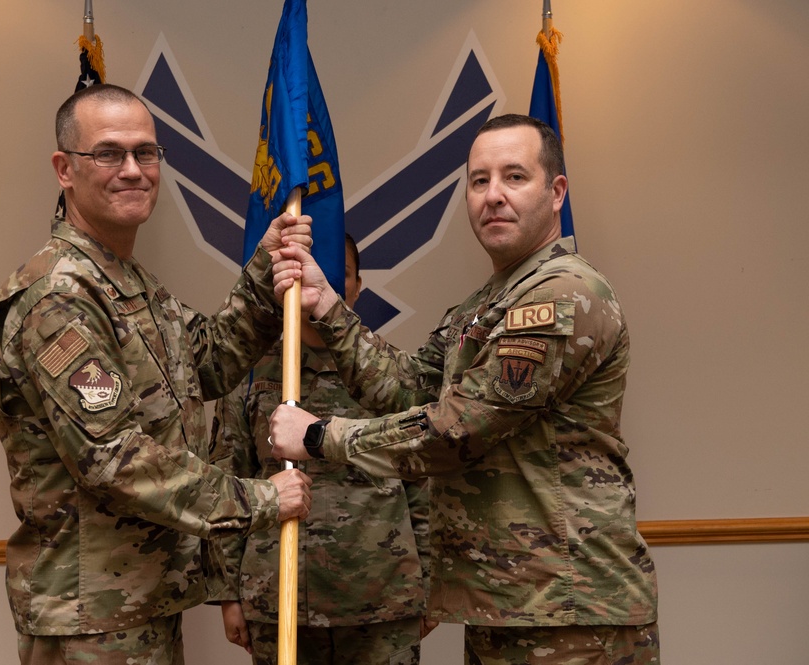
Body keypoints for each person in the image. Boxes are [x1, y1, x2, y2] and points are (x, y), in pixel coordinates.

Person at [268, 114, 659, 664]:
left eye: (514, 177)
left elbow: (457, 430)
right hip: (507, 602)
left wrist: (320, 437)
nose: (493, 195)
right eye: (479, 181)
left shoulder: (564, 293)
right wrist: (329, 308)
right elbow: (407, 389)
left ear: (556, 192)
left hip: (571, 609)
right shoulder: (484, 305)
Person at [0, 83, 313, 665]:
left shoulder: (129, 284)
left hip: (139, 603)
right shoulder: (59, 296)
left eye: (146, 153)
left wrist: (266, 263)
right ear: (65, 169)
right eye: (108, 153)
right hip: (90, 619)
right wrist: (257, 499)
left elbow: (208, 362)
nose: (133, 170)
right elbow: (116, 461)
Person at [207, 234, 434, 665]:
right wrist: (227, 594)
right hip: (280, 596)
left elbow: (422, 480)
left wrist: (429, 584)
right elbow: (227, 476)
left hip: (380, 598)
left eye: (338, 274)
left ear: (357, 286)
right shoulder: (253, 373)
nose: (322, 282)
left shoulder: (389, 376)